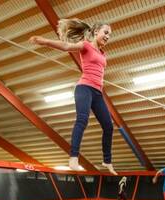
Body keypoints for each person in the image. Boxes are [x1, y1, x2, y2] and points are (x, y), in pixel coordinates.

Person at [29, 19, 117, 175]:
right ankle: (73, 158)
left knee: (108, 126)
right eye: (105, 33)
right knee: (82, 120)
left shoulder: (104, 54)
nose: (108, 37)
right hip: (84, 88)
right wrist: (44, 42)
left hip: (97, 92)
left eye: (109, 35)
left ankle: (107, 160)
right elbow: (66, 46)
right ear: (96, 32)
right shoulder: (86, 45)